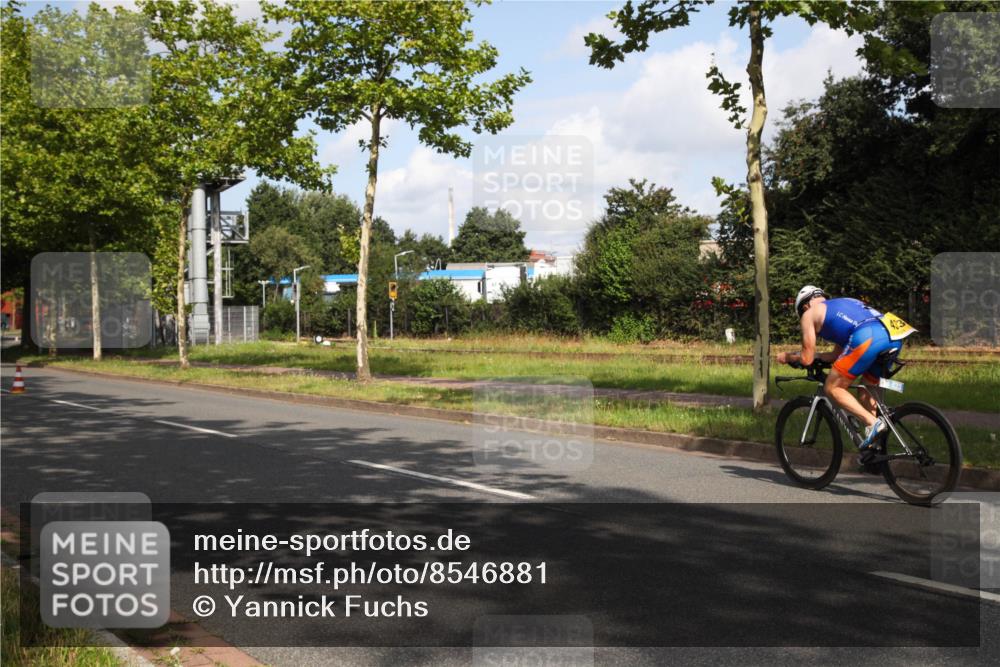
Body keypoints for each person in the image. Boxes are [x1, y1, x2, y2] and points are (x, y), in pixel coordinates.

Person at [776, 286, 913, 462]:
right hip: (892, 335)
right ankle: (875, 450)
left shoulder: (808, 315)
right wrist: (817, 356)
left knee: (832, 387)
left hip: (867, 336)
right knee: (866, 391)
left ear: (804, 307)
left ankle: (872, 424)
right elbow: (834, 356)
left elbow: (807, 359)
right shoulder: (842, 305)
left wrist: (788, 357)